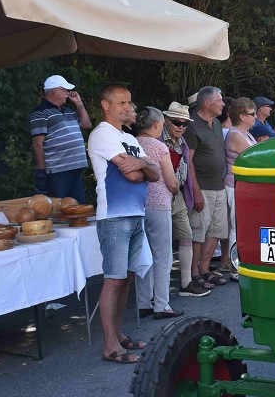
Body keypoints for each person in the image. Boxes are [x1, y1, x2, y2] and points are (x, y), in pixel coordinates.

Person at [87, 84, 160, 364]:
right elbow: (133, 176)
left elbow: (153, 174)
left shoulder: (128, 136)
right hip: (115, 216)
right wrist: (141, 165)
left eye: (129, 102)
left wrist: (139, 164)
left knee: (126, 278)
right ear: (106, 105)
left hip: (135, 214)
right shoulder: (102, 134)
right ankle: (110, 346)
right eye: (121, 103)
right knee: (114, 279)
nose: (127, 107)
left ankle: (118, 335)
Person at [133, 107, 183, 320]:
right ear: (156, 125)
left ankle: (143, 302)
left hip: (137, 204)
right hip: (159, 204)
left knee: (142, 253)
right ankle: (161, 304)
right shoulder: (158, 146)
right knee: (162, 256)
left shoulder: (132, 143)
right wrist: (176, 189)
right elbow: (171, 182)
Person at [183, 86, 230, 292]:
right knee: (198, 232)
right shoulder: (192, 126)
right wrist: (196, 191)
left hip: (219, 185)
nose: (223, 104)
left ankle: (204, 268)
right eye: (219, 100)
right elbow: (188, 161)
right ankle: (193, 272)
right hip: (203, 187)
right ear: (207, 103)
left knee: (216, 230)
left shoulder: (217, 123)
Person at [161, 101, 209, 299]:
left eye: (184, 123)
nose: (181, 127)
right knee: (161, 243)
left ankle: (186, 282)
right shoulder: (157, 140)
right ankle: (157, 290)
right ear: (165, 120)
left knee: (186, 236)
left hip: (177, 194)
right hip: (160, 196)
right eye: (176, 122)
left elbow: (186, 170)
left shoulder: (182, 143)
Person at [30, 74, 92, 201]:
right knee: (58, 209)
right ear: (55, 91)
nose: (68, 93)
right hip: (58, 170)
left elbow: (86, 124)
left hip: (75, 168)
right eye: (65, 90)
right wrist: (41, 171)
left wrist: (79, 104)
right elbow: (37, 143)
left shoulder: (68, 110)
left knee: (77, 208)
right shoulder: (40, 113)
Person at [223, 97, 258, 283]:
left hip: (244, 187)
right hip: (235, 186)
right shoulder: (235, 135)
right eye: (252, 114)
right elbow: (256, 157)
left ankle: (242, 263)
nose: (255, 118)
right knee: (237, 226)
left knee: (243, 225)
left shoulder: (246, 133)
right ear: (243, 116)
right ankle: (236, 267)